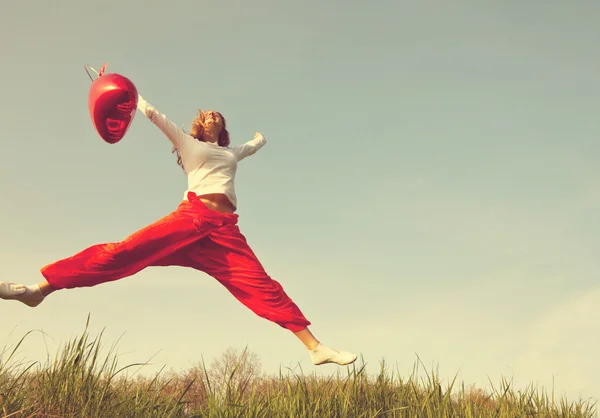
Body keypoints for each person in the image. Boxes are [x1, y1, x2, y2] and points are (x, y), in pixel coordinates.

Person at [0, 92, 357, 366]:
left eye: (218, 115)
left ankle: (315, 348)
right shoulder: (188, 143)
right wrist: (130, 95)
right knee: (121, 254)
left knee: (261, 285)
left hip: (224, 232)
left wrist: (261, 138)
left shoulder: (231, 152)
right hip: (192, 218)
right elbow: (156, 116)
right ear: (200, 125)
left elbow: (251, 146)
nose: (213, 116)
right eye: (207, 115)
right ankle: (39, 290)